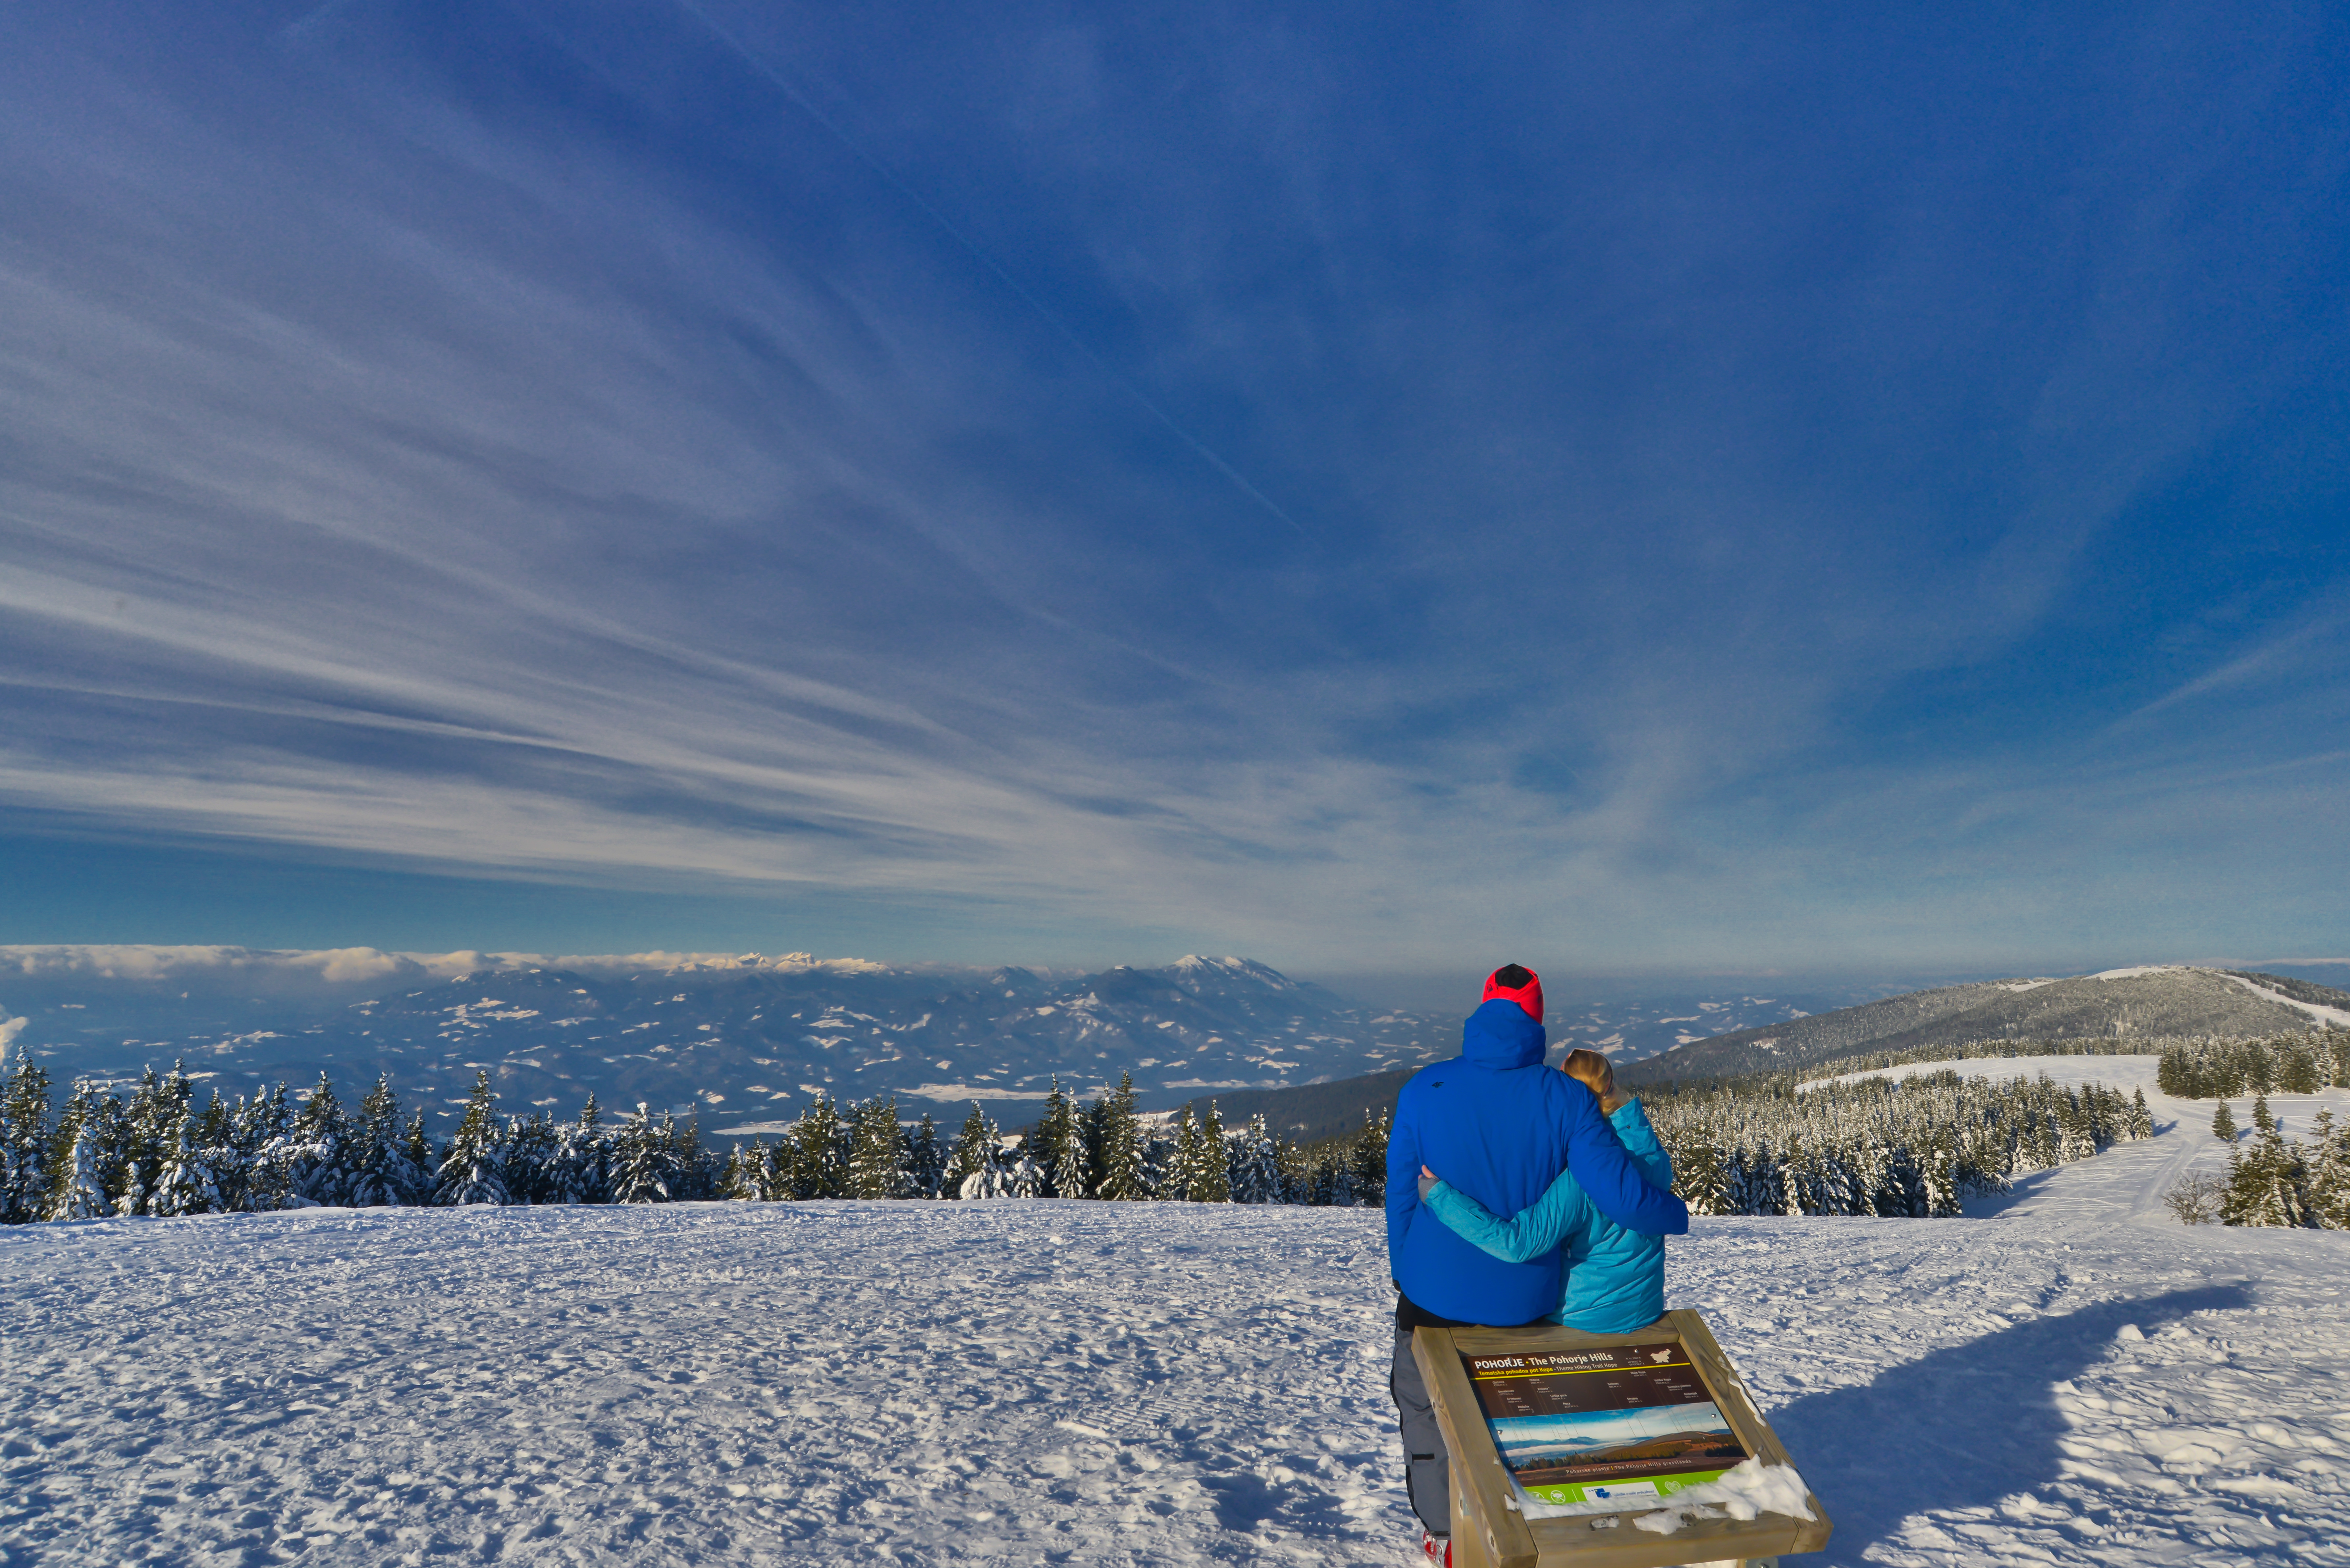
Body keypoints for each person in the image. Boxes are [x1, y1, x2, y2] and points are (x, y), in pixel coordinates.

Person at [1384, 966, 1690, 1564]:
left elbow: (1401, 1191)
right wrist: (1675, 1212)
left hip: (1428, 1292)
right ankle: (1513, 1522)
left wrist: (1403, 1266)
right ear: (1537, 1018)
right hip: (1521, 1300)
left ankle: (1444, 1534)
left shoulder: (1423, 1088)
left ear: (1482, 1009)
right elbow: (1622, 1197)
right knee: (1511, 1421)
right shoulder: (1568, 1097)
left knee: (1422, 1410)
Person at [1417, 1049, 1675, 1334]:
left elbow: (1518, 1244)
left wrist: (1441, 1198)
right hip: (1644, 1310)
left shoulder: (1585, 1180)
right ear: (1610, 1084)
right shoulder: (1651, 1156)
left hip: (1584, 1318)